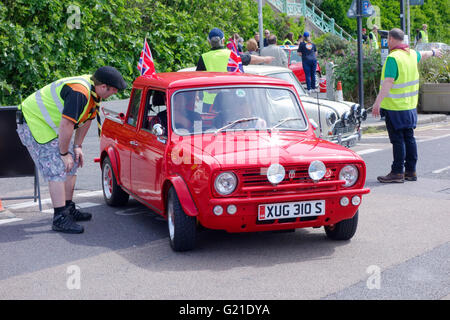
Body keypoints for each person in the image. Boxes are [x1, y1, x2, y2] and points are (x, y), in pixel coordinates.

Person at [16, 66, 127, 233]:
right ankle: (59, 218)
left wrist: (77, 147)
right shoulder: (79, 92)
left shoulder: (94, 92)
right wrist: (63, 153)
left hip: (52, 126)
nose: (114, 95)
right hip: (34, 122)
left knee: (72, 162)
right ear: (104, 86)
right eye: (113, 91)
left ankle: (67, 208)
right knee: (57, 168)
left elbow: (87, 119)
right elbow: (67, 123)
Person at [371, 28, 443, 183]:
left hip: (395, 107)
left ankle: (397, 172)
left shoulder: (393, 58)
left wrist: (377, 103)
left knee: (397, 140)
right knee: (409, 138)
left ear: (390, 39)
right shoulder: (411, 54)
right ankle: (411, 171)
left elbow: (388, 82)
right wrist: (434, 52)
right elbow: (423, 54)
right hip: (410, 107)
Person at [196, 28, 274, 111]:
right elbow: (250, 59)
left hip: (209, 102)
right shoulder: (232, 55)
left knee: (209, 124)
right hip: (229, 100)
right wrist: (265, 59)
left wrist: (196, 95)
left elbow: (197, 79)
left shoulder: (204, 57)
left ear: (209, 42)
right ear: (223, 40)